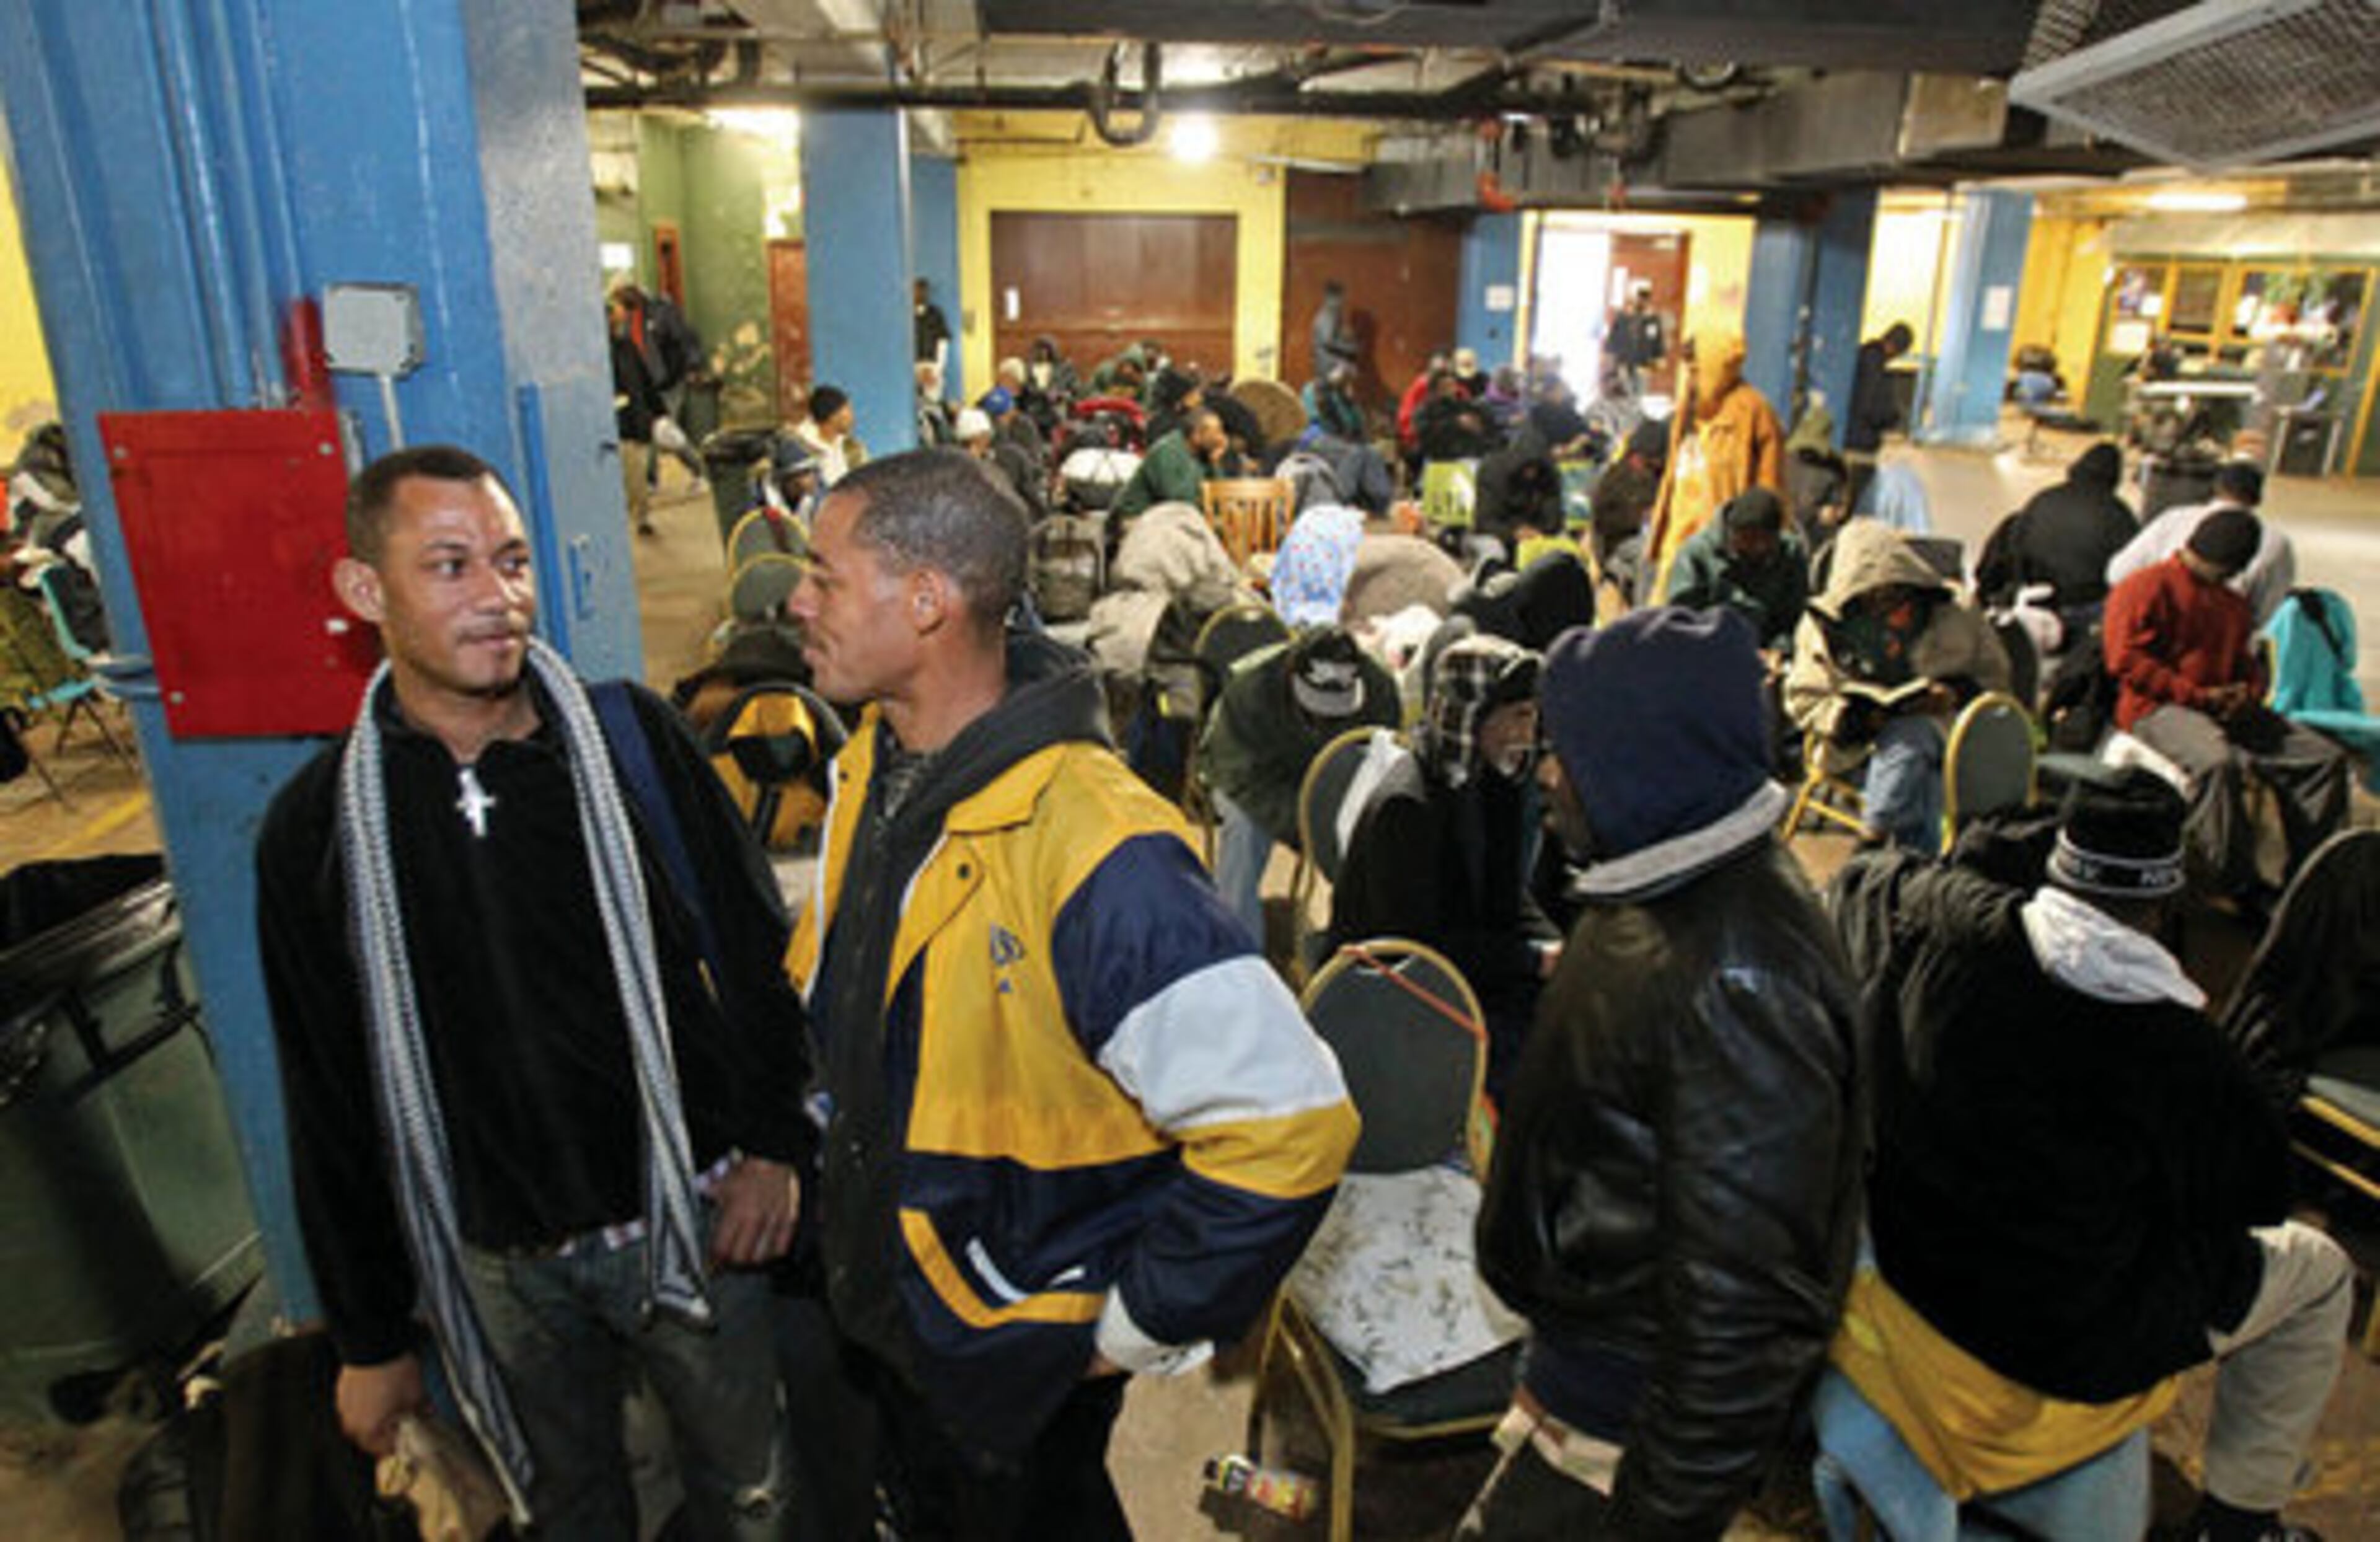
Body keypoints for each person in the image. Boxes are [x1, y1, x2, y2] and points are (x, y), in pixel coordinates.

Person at [782, 449, 1357, 1539]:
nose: (797, 600)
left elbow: (1290, 1121)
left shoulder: (1099, 846)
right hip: (899, 1306)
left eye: (824, 574)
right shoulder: (879, 761)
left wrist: (1129, 1325)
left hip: (1008, 1340)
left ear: (926, 600)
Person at [255, 446, 809, 1539]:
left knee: (751, 1492)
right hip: (496, 1263)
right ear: (365, 591)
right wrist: (369, 1336)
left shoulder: (626, 746)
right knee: (564, 1506)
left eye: (511, 561)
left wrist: (774, 1143)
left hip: (689, 1209)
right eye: (450, 565)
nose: (499, 597)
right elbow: (327, 1091)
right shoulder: (320, 828)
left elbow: (752, 951)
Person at [1830, 767, 2351, 1542]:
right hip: (2056, 1343)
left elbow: (1872, 883)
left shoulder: (1941, 944)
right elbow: (2256, 1196)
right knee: (2318, 1270)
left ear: (2059, 857)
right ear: (2166, 898)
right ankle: (2239, 1523)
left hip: (1915, 1279)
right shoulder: (2186, 1053)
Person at [1460, 607, 1862, 1539]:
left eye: (1567, 751)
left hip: (1621, 1426)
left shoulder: (1740, 975)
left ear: (1647, 761)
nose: (1549, 774)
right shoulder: (1653, 880)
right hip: (1580, 1374)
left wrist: (1658, 1518)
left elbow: (1744, 1315)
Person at [1326, 633, 1557, 1103]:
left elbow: (1507, 894)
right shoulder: (1407, 807)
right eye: (1518, 717)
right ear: (1473, 718)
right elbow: (1416, 950)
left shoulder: (1494, 780)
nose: (1527, 734)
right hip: (1396, 998)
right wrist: (1532, 959)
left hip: (1468, 973)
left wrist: (1555, 946)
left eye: (1532, 716)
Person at [2103, 505, 2353, 902]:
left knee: (2322, 758)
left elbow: (2247, 662)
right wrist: (2195, 695)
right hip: (2158, 708)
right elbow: (2124, 660)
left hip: (2221, 706)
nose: (2230, 577)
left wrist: (2247, 692)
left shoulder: (2231, 604)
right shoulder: (2145, 587)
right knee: (2217, 763)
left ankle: (2313, 877)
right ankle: (2236, 881)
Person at [1785, 518, 2010, 851]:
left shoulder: (1956, 611)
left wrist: (1956, 693)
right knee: (1921, 767)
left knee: (1914, 736)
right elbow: (1804, 700)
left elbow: (1997, 681)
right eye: (1874, 598)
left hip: (1950, 738)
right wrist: (1861, 719)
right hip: (1856, 753)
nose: (1887, 605)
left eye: (1895, 595)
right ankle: (1910, 864)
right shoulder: (1822, 627)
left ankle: (1872, 844)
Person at [1197, 625, 1401, 941]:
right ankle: (1238, 947)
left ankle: (1359, 943)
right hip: (1250, 778)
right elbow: (1244, 779)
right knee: (1243, 831)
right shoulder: (1249, 690)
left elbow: (1382, 768)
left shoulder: (1380, 689)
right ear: (1291, 673)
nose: (1326, 719)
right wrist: (1306, 820)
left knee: (1375, 839)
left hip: (1331, 780)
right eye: (1316, 707)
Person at [1644, 332, 1784, 600]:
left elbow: (1770, 487)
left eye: (1697, 367)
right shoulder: (1690, 406)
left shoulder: (1753, 412)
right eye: (1689, 368)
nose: (1692, 375)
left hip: (1724, 547)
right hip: (1678, 539)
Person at [1974, 441, 2138, 642]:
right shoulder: (2119, 515)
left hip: (2032, 595)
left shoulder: (2043, 498)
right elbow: (2131, 570)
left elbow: (2015, 543)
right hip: (2079, 611)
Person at [2106, 459, 2297, 629]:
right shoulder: (2277, 543)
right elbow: (2265, 614)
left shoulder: (2174, 519)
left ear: (2216, 488)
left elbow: (2118, 572)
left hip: (2156, 629)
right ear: (2258, 498)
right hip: (2224, 648)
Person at [1665, 487, 1809, 656]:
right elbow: (1683, 621)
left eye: (1765, 541)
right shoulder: (1696, 554)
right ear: (1732, 532)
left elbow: (1792, 617)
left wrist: (1777, 651)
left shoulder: (1790, 554)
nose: (1757, 548)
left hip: (1767, 653)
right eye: (1748, 539)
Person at [609, 290, 668, 535]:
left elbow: (644, 380)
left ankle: (641, 515)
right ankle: (633, 516)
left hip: (636, 420)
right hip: (620, 423)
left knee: (638, 473)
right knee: (628, 475)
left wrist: (658, 411)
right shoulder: (604, 352)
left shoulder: (627, 347)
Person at [1844, 322, 1915, 516]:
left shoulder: (1861, 357)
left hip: (1850, 438)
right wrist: (1893, 416)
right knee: (1855, 502)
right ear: (1896, 347)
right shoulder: (1875, 367)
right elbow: (1873, 406)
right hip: (1860, 444)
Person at [1111, 407, 1228, 522]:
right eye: (1216, 432)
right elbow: (1175, 500)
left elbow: (1216, 499)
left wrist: (1215, 463)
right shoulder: (1166, 451)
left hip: (1172, 519)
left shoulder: (1203, 453)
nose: (1221, 438)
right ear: (1196, 436)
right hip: (1136, 517)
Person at [1602, 281, 1667, 398]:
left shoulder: (1652, 320)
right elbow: (1612, 341)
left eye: (1646, 297)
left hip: (1642, 368)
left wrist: (1659, 358)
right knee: (1624, 396)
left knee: (1640, 397)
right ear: (1633, 297)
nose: (1642, 300)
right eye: (1640, 296)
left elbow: (1657, 341)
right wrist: (1610, 362)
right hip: (1624, 366)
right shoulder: (1623, 318)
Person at [793, 384, 864, 488]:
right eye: (848, 411)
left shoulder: (851, 448)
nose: (852, 418)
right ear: (834, 417)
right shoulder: (799, 450)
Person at [1302, 360, 1367, 443]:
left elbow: (1356, 425)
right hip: (1323, 438)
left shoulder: (1341, 395)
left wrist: (1350, 401)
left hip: (1345, 441)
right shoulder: (1313, 389)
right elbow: (1314, 421)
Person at [1309, 279, 1360, 382]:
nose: (1343, 301)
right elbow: (1328, 341)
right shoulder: (1330, 313)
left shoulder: (1331, 313)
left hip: (1325, 364)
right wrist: (1350, 348)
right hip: (1328, 365)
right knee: (1351, 371)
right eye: (1341, 297)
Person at [912, 277, 951, 371]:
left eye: (924, 291)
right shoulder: (906, 315)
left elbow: (943, 341)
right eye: (917, 291)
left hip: (932, 364)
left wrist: (939, 367)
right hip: (912, 365)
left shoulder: (936, 314)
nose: (920, 294)